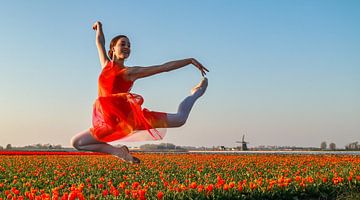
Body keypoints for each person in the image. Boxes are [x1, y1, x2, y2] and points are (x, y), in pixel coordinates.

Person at [71, 21, 209, 164]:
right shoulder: (106, 65)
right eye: (123, 44)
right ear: (112, 48)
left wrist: (189, 60)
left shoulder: (130, 72)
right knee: (77, 142)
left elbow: (162, 67)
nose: (127, 47)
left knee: (180, 119)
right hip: (107, 122)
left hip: (130, 119)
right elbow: (100, 42)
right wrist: (99, 27)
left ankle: (196, 92)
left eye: (129, 45)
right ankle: (119, 152)